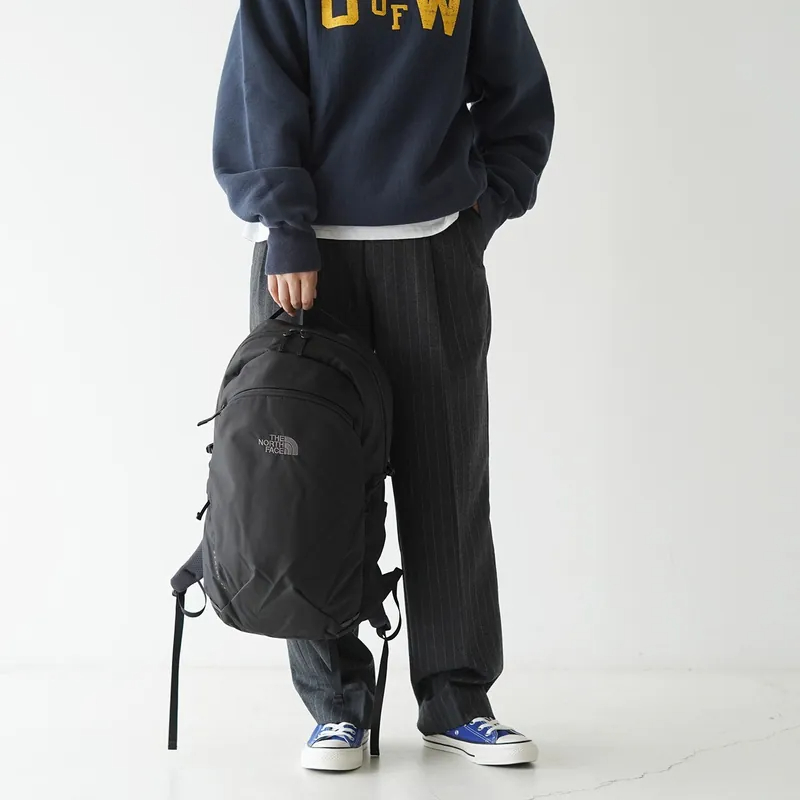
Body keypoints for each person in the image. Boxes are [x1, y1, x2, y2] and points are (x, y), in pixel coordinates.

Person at [212, 0, 554, 772]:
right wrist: (287, 227)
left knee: (447, 476)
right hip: (306, 260)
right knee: (302, 486)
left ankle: (457, 699)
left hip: (433, 247)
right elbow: (259, 92)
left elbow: (518, 93)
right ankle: (336, 706)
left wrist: (488, 205)